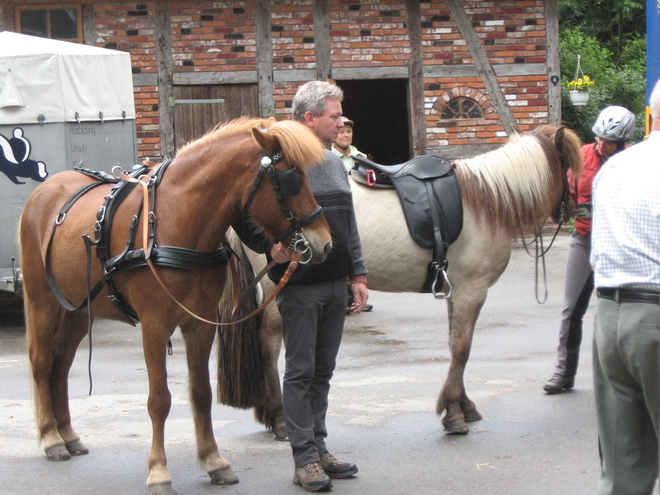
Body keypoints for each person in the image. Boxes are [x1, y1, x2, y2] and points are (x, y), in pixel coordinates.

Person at [235, 80, 369, 492]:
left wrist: (358, 275)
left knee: (323, 371)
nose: (341, 122)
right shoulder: (279, 164)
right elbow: (241, 215)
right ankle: (304, 459)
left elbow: (347, 224)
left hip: (335, 283)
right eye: (334, 116)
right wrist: (267, 246)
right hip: (299, 284)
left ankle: (320, 446)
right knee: (300, 370)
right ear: (309, 118)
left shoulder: (333, 162)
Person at [590, 78, 660, 495]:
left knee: (622, 473)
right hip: (655, 313)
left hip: (611, 317)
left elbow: (598, 251)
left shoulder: (615, 166)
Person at [543, 105, 636, 394]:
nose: (600, 144)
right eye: (598, 137)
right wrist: (565, 207)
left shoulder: (632, 163)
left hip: (620, 244)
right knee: (571, 310)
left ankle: (624, 377)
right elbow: (568, 192)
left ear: (621, 142)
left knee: (620, 311)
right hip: (584, 240)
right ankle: (563, 374)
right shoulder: (582, 156)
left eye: (608, 141)